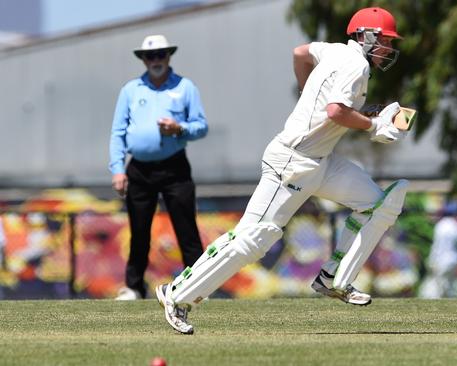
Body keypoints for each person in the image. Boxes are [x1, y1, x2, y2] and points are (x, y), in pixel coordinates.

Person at [156, 7, 409, 334]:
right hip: (292, 162)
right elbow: (335, 112)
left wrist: (310, 92)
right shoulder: (357, 65)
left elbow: (300, 53)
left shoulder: (333, 51)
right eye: (385, 40)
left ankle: (334, 277)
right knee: (254, 239)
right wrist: (373, 124)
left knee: (379, 203)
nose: (388, 48)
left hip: (321, 161)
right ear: (367, 36)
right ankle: (177, 295)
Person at [109, 34, 208, 300]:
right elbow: (118, 132)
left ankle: (198, 286)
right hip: (139, 169)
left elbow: (201, 126)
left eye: (160, 55)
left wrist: (179, 129)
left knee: (186, 228)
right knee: (139, 230)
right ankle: (134, 287)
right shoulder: (131, 90)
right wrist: (117, 169)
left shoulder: (185, 87)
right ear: (143, 59)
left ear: (169, 56)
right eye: (150, 56)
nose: (155, 60)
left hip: (175, 168)